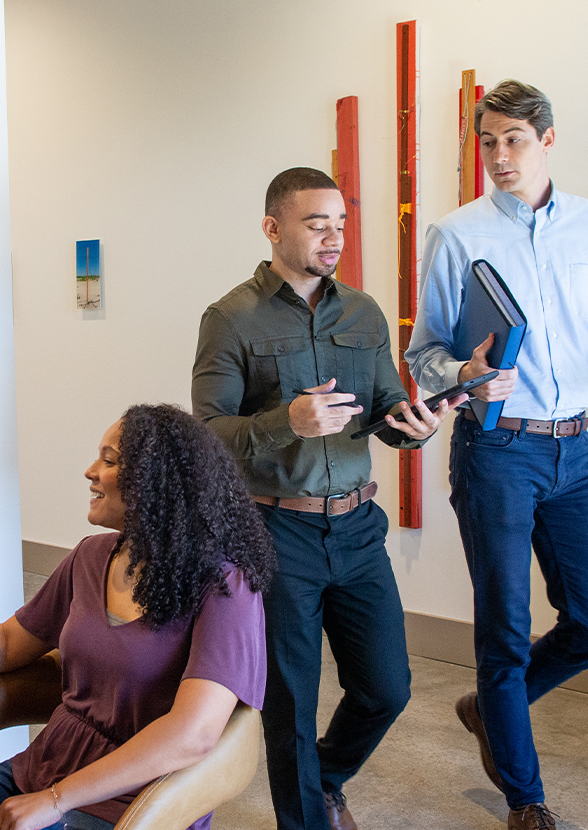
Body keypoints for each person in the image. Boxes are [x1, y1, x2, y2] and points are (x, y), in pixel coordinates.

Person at [405, 79, 588, 830]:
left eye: (516, 141)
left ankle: (489, 710)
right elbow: (425, 353)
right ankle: (526, 800)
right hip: (496, 449)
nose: (501, 157)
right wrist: (463, 372)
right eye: (489, 142)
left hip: (574, 451)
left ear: (548, 141)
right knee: (502, 628)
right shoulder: (456, 234)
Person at [191, 167, 465, 830]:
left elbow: (383, 407)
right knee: (289, 700)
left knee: (386, 686)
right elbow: (204, 436)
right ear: (273, 227)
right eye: (318, 223)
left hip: (356, 528)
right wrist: (289, 420)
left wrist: (413, 426)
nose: (334, 236)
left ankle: (328, 776)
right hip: (273, 530)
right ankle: (306, 817)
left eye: (341, 222)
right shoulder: (230, 318)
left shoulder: (364, 312)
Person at [0, 404, 273, 830]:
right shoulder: (89, 557)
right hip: (41, 771)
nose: (90, 471)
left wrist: (56, 801)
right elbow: (10, 644)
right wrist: (47, 794)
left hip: (133, 805)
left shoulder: (224, 587)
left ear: (156, 483)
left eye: (109, 461)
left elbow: (193, 734)